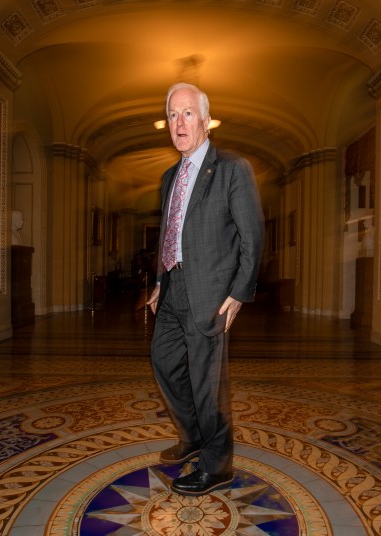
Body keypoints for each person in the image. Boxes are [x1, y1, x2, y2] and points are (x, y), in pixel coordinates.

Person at [146, 83, 264, 496]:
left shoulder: (231, 168)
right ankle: (193, 434)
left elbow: (252, 235)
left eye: (188, 114)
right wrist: (161, 280)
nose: (179, 123)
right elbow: (168, 233)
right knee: (163, 361)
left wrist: (239, 292)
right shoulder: (168, 176)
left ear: (205, 121)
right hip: (174, 287)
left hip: (212, 294)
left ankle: (217, 465)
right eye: (173, 115)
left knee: (206, 383)